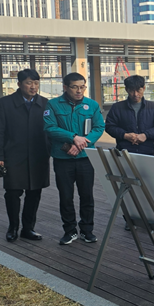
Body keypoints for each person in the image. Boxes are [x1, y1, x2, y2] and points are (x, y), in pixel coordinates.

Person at [44, 73, 105, 245]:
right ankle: (69, 231)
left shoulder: (92, 105)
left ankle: (87, 230)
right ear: (65, 87)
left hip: (85, 157)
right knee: (66, 196)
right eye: (75, 87)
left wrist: (81, 143)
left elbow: (99, 127)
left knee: (87, 196)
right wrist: (73, 137)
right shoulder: (53, 105)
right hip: (63, 158)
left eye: (82, 87)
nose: (79, 91)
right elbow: (50, 128)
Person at [0, 69, 50, 242]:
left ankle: (28, 228)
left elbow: (52, 129)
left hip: (38, 156)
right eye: (29, 83)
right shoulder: (5, 103)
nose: (33, 87)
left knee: (34, 192)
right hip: (13, 155)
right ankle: (13, 227)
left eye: (36, 83)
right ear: (19, 84)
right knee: (12, 192)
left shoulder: (45, 103)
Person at [105, 75, 154, 156]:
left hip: (147, 152)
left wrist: (146, 135)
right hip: (124, 152)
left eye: (138, 90)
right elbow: (109, 126)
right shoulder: (117, 107)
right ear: (126, 89)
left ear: (144, 88)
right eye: (131, 91)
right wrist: (125, 135)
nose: (135, 94)